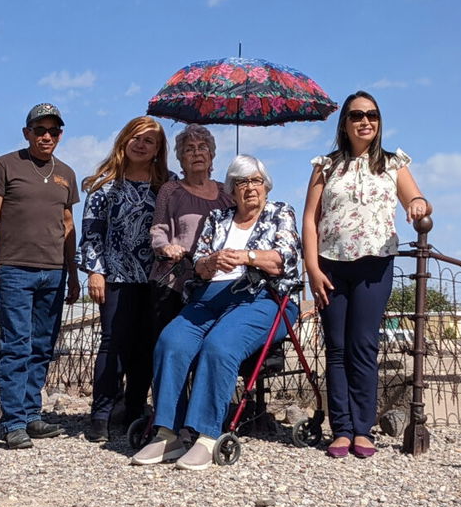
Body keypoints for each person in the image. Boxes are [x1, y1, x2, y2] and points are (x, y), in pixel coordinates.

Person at [132, 155, 302, 471]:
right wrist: (209, 264)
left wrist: (246, 256)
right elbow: (198, 263)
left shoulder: (281, 212)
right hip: (210, 297)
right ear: (231, 189)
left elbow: (285, 259)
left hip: (261, 298)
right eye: (241, 182)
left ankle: (207, 435)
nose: (250, 188)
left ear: (266, 186)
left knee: (219, 346)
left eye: (255, 181)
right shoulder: (218, 218)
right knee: (171, 341)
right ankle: (168, 432)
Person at [302, 90, 431, 459]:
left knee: (363, 345)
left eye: (372, 115)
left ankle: (363, 429)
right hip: (330, 264)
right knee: (337, 348)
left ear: (379, 121)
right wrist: (311, 267)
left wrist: (420, 204)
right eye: (357, 115)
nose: (365, 121)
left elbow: (416, 200)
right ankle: (340, 429)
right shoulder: (325, 166)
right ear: (344, 122)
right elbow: (310, 220)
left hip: (375, 264)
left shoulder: (393, 163)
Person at [0, 103, 81, 449]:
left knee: (42, 346)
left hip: (54, 272)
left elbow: (68, 225)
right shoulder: (6, 165)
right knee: (16, 345)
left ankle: (31, 414)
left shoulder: (66, 173)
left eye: (53, 131)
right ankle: (12, 422)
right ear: (27, 133)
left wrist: (74, 273)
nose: (47, 136)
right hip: (15, 269)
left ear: (60, 135)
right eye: (40, 130)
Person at [78, 116, 171, 442]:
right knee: (113, 344)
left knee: (146, 346)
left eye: (150, 141)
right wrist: (95, 271)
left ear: (159, 149)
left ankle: (133, 409)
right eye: (137, 138)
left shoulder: (167, 186)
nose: (142, 145)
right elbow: (91, 234)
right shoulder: (104, 185)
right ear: (124, 140)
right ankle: (101, 414)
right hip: (115, 276)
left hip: (155, 278)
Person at [148, 124, 233, 335]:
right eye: (189, 149)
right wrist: (166, 246)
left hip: (216, 282)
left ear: (212, 155)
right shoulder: (171, 190)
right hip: (175, 280)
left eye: (203, 147)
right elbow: (158, 228)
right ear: (181, 158)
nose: (197, 153)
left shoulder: (227, 193)